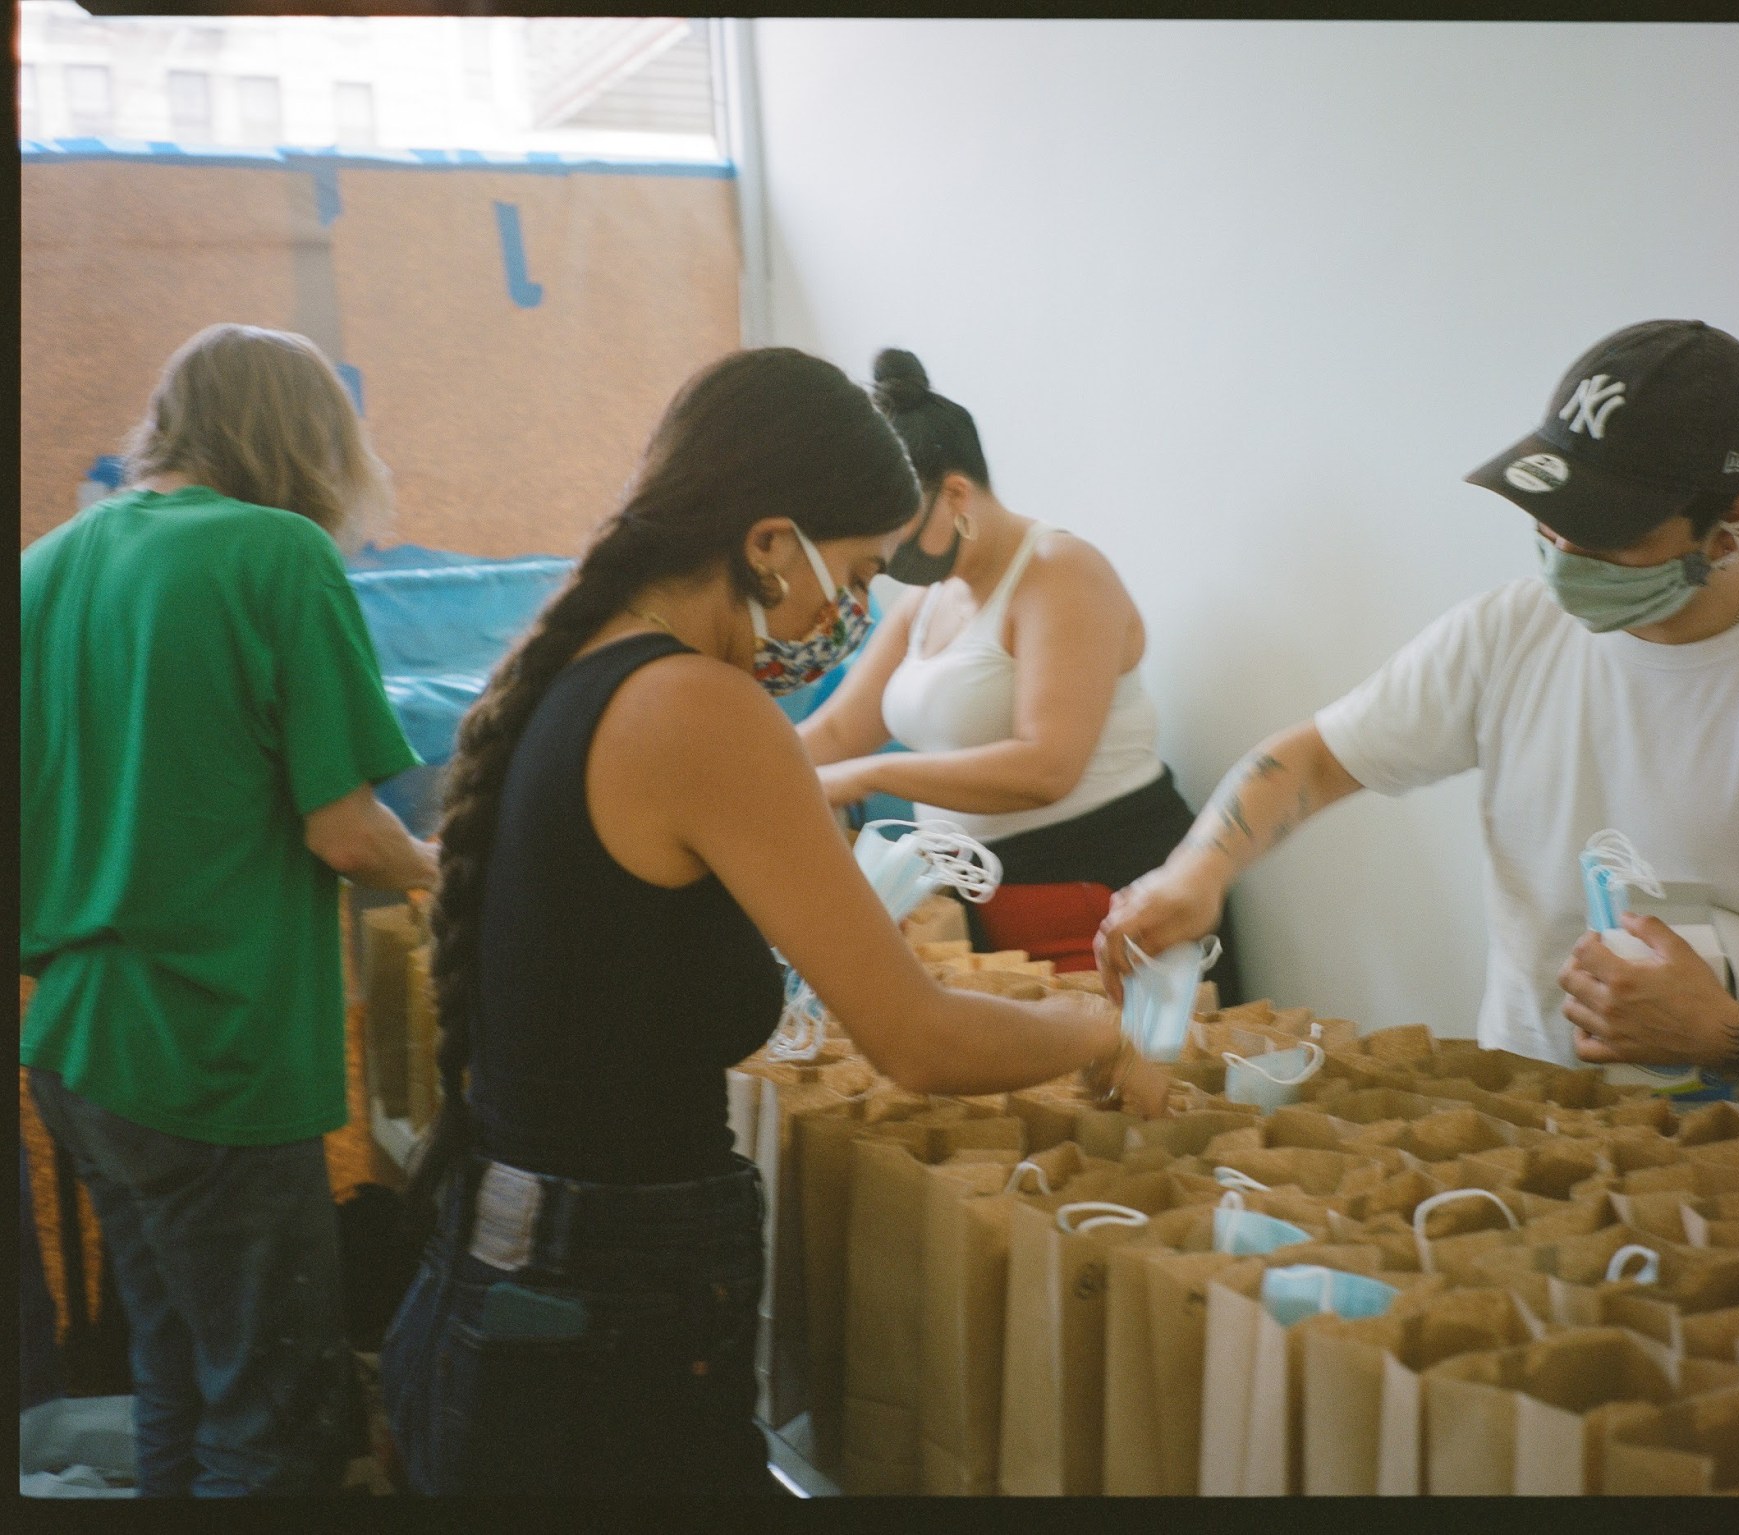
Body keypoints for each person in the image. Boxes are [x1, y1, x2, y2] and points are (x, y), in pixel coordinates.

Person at [379, 347, 1167, 1498]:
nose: (854, 609)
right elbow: (919, 1038)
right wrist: (1100, 1032)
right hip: (601, 1319)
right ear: (766, 543)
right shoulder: (699, 708)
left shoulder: (578, 666)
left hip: (513, 1284)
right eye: (851, 572)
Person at [1097, 320, 1739, 1120]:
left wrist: (1721, 1032)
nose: (1564, 553)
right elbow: (1318, 758)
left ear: (1733, 528)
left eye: (1606, 531)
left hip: (1733, 1166)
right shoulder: (1510, 631)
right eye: (1552, 516)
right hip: (1520, 1123)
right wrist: (1198, 871)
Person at [20, 323, 440, 1496]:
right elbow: (344, 827)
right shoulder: (276, 552)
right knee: (273, 1413)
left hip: (78, 1048)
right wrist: (451, 869)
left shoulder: (46, 564)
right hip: (212, 1051)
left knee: (176, 1374)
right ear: (302, 438)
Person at [798, 349, 1243, 1002]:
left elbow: (1046, 767)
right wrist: (750, 773)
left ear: (953, 495)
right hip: (985, 904)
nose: (886, 558)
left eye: (895, 530)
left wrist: (868, 776)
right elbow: (838, 729)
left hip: (1101, 900)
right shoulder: (932, 597)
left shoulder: (1061, 572)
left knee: (1127, 1092)